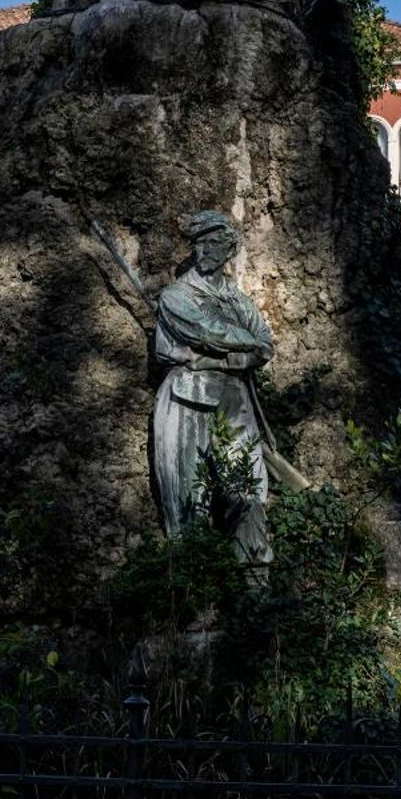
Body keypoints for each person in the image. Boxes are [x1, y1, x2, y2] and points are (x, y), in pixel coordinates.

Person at [151, 211, 288, 564]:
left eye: (213, 244)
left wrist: (226, 358)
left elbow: (265, 345)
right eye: (199, 244)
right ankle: (191, 601)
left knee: (249, 493)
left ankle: (254, 585)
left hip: (235, 400)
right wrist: (243, 347)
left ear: (229, 250)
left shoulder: (239, 301)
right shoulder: (176, 296)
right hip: (186, 397)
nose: (204, 251)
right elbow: (205, 330)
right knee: (186, 503)